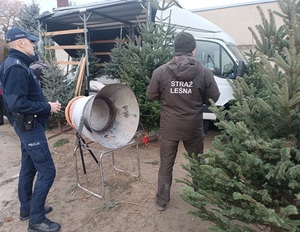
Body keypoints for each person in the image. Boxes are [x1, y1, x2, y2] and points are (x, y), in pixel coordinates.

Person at [147, 32, 220, 211]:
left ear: (175, 50)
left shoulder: (161, 72)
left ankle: (162, 201)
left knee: (166, 164)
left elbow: (151, 95)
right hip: (193, 127)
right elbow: (214, 97)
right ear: (193, 51)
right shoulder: (204, 72)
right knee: (196, 162)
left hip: (169, 127)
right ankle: (199, 195)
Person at [0, 27, 62, 232]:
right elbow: (17, 103)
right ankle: (36, 220)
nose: (34, 45)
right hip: (30, 127)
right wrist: (47, 107)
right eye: (31, 41)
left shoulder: (11, 64)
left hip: (26, 125)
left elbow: (11, 102)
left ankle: (27, 208)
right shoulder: (16, 67)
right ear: (20, 43)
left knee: (28, 167)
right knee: (48, 171)